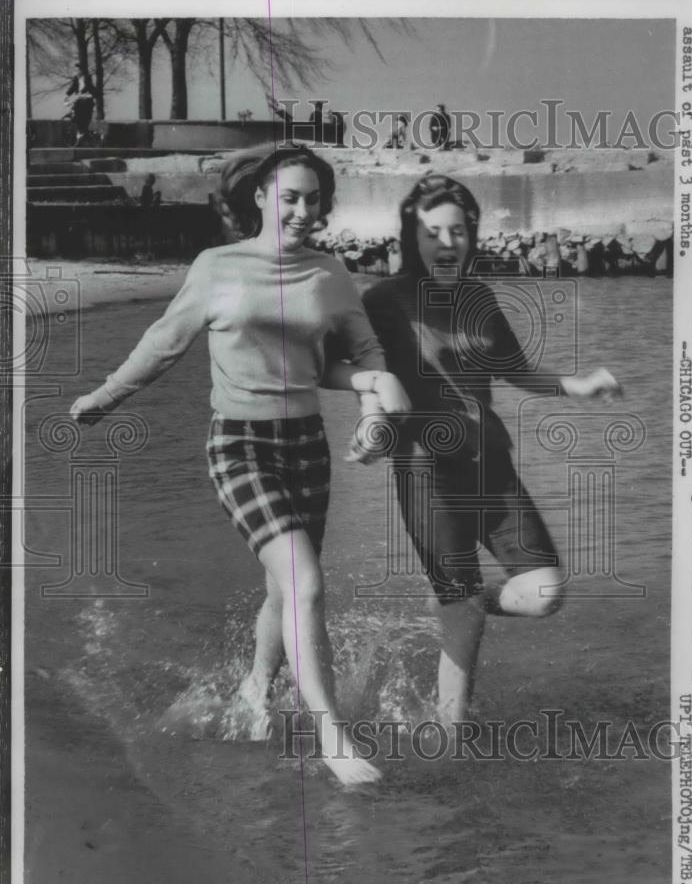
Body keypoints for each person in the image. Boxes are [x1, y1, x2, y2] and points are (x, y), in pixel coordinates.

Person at [70, 143, 411, 785]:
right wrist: (106, 397)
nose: (304, 210)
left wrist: (375, 404)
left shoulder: (331, 275)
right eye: (290, 197)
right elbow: (163, 343)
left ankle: (255, 690)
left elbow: (363, 355)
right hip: (239, 446)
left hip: (305, 445)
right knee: (307, 582)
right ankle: (333, 739)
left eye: (314, 199)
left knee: (284, 587)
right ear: (260, 197)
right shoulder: (216, 267)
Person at [352, 174, 622, 726]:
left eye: (457, 231)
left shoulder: (480, 296)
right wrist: (373, 429)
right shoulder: (383, 301)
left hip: (491, 466)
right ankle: (450, 740)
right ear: (413, 237)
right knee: (466, 612)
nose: (446, 244)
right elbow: (368, 375)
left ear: (472, 236)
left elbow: (516, 371)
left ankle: (458, 605)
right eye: (433, 233)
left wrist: (578, 385)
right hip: (427, 470)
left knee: (545, 592)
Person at [64, 61, 97, 146]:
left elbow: (89, 86)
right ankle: (81, 133)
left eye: (77, 70)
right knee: (75, 113)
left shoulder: (87, 77)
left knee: (83, 117)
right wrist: (67, 95)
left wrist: (84, 92)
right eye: (75, 70)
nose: (76, 72)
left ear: (81, 71)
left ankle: (83, 134)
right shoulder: (75, 78)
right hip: (80, 99)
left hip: (87, 100)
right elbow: (72, 87)